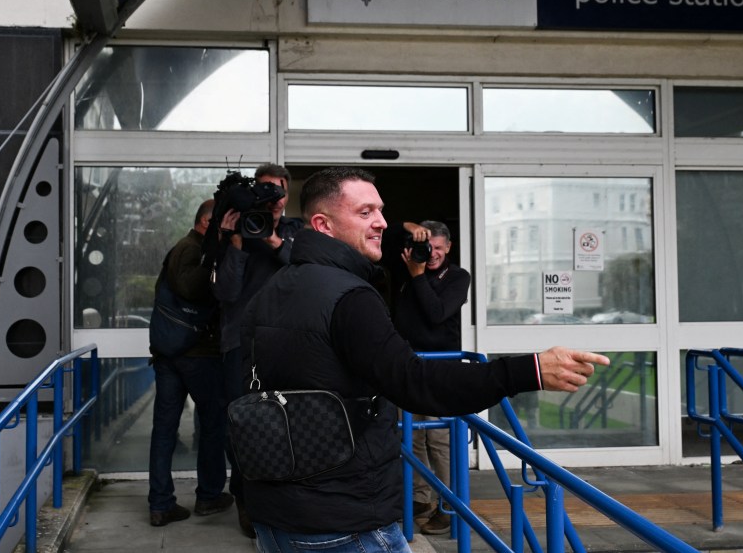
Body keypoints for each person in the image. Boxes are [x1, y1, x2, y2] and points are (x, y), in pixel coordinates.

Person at [239, 167, 610, 552]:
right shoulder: (348, 296)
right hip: (344, 519)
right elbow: (415, 383)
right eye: (365, 212)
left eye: (380, 211)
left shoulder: (272, 289)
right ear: (323, 224)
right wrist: (526, 370)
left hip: (275, 515)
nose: (382, 222)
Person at [211, 163, 304, 538]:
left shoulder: (297, 232)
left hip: (288, 343)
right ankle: (246, 499)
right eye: (264, 190)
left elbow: (303, 272)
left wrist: (272, 238)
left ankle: (284, 501)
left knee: (289, 425)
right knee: (242, 426)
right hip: (241, 344)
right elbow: (225, 293)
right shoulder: (236, 234)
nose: (273, 198)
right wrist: (234, 243)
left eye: (279, 191)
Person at [147, 199, 233, 526]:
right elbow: (189, 287)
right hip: (196, 355)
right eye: (222, 225)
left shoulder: (191, 246)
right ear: (205, 223)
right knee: (213, 424)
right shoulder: (189, 248)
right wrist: (215, 256)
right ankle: (208, 497)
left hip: (171, 355)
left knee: (166, 429)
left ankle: (161, 503)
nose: (227, 231)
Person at [390, 219, 471, 535]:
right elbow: (390, 233)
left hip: (441, 367)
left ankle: (450, 505)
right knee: (412, 438)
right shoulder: (407, 266)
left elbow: (437, 314)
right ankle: (420, 499)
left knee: (439, 439)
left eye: (438, 247)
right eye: (427, 246)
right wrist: (409, 227)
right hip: (409, 366)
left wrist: (418, 276)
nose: (432, 253)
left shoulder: (458, 276)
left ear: (449, 247)